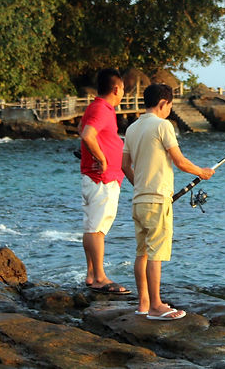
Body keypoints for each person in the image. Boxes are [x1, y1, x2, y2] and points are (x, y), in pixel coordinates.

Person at [122, 83, 215, 320]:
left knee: (141, 252)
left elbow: (125, 166)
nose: (169, 111)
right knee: (156, 253)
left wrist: (141, 186)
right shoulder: (163, 126)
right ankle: (156, 306)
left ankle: (143, 303)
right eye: (169, 107)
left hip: (139, 200)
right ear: (163, 103)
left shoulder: (132, 129)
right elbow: (180, 162)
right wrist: (201, 172)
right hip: (157, 201)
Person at [78, 68, 130, 294]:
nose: (123, 94)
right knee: (96, 228)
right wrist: (101, 158)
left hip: (98, 177)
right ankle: (99, 276)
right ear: (116, 88)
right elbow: (87, 134)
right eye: (123, 90)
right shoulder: (103, 109)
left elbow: (83, 129)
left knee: (93, 226)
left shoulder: (95, 107)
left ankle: (92, 274)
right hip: (101, 178)